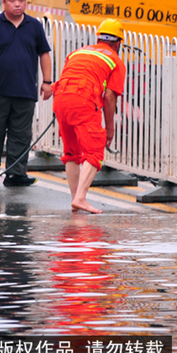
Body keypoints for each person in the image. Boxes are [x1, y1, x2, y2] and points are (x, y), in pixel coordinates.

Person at [0, 0, 53, 187]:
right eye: (12, 0)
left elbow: (44, 54)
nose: (17, 4)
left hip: (25, 90)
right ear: (3, 3)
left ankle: (15, 175)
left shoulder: (34, 26)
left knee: (21, 135)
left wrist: (47, 82)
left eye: (21, 0)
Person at [53, 19, 127, 214]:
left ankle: (75, 199)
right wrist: (109, 129)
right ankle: (80, 198)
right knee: (94, 151)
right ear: (118, 43)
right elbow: (109, 97)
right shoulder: (115, 60)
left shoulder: (78, 52)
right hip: (83, 99)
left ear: (99, 38)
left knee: (71, 153)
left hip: (60, 97)